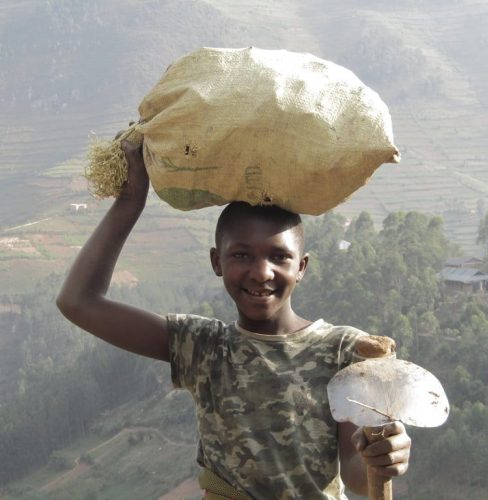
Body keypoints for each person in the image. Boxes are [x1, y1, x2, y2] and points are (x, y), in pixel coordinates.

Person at [57, 139, 411, 499]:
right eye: (241, 255)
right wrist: (130, 201)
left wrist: (381, 458)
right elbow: (78, 301)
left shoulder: (347, 351)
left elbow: (354, 474)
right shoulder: (203, 346)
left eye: (279, 257)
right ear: (216, 262)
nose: (261, 273)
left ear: (301, 267)